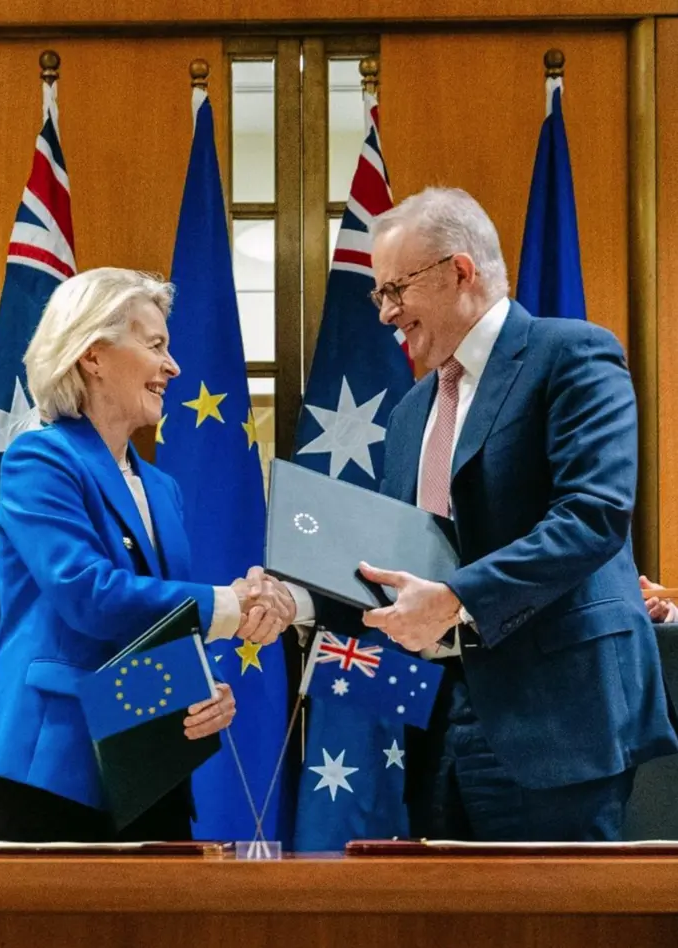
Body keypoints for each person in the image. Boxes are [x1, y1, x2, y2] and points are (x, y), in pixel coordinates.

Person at [271, 187, 678, 842]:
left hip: (556, 720)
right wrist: (294, 601)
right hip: (433, 721)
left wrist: (455, 598)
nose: (385, 313)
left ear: (459, 270)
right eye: (378, 295)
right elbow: (394, 564)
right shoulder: (408, 414)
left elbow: (591, 516)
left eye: (394, 290)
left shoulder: (570, 355)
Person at [0, 267, 293, 843]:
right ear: (93, 354)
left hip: (150, 772)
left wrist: (203, 690)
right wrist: (230, 605)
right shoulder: (38, 460)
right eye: (157, 346)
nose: (173, 367)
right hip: (52, 773)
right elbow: (89, 597)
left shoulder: (162, 489)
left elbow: (153, 631)